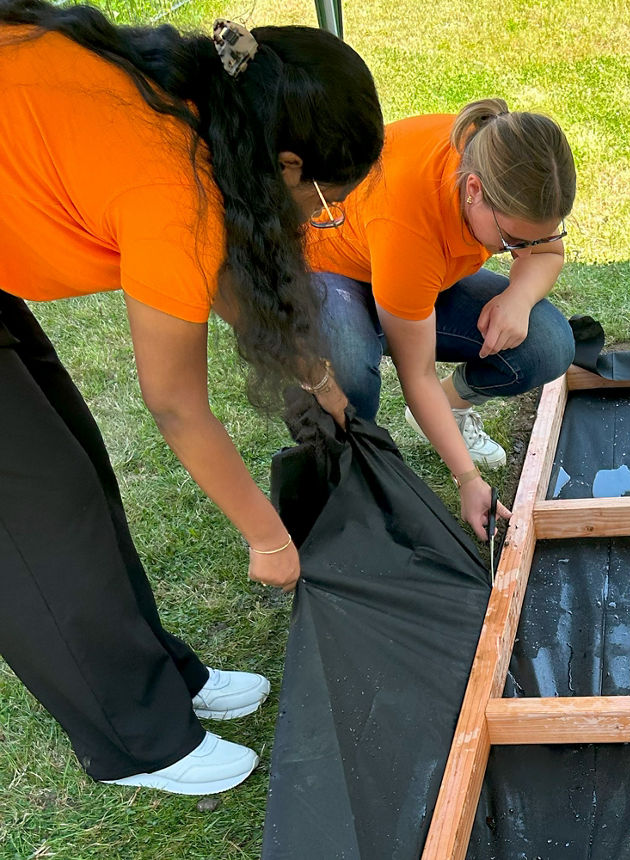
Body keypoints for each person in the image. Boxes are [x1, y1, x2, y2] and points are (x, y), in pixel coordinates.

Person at [0, 1, 383, 795]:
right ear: (284, 166)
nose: (321, 219)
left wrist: (318, 382)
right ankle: (138, 741)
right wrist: (269, 540)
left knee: (74, 466)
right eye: (324, 201)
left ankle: (160, 675)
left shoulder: (195, 107)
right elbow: (175, 404)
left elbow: (232, 293)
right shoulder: (172, 178)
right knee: (32, 515)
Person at [305, 102, 577, 540]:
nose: (519, 250)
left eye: (539, 234)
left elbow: (546, 253)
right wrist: (468, 480)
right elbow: (417, 377)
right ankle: (349, 481)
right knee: (349, 368)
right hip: (335, 270)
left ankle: (453, 409)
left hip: (418, 273)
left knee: (548, 344)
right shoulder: (410, 222)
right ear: (474, 190)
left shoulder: (511, 167)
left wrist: (518, 297)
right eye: (512, 240)